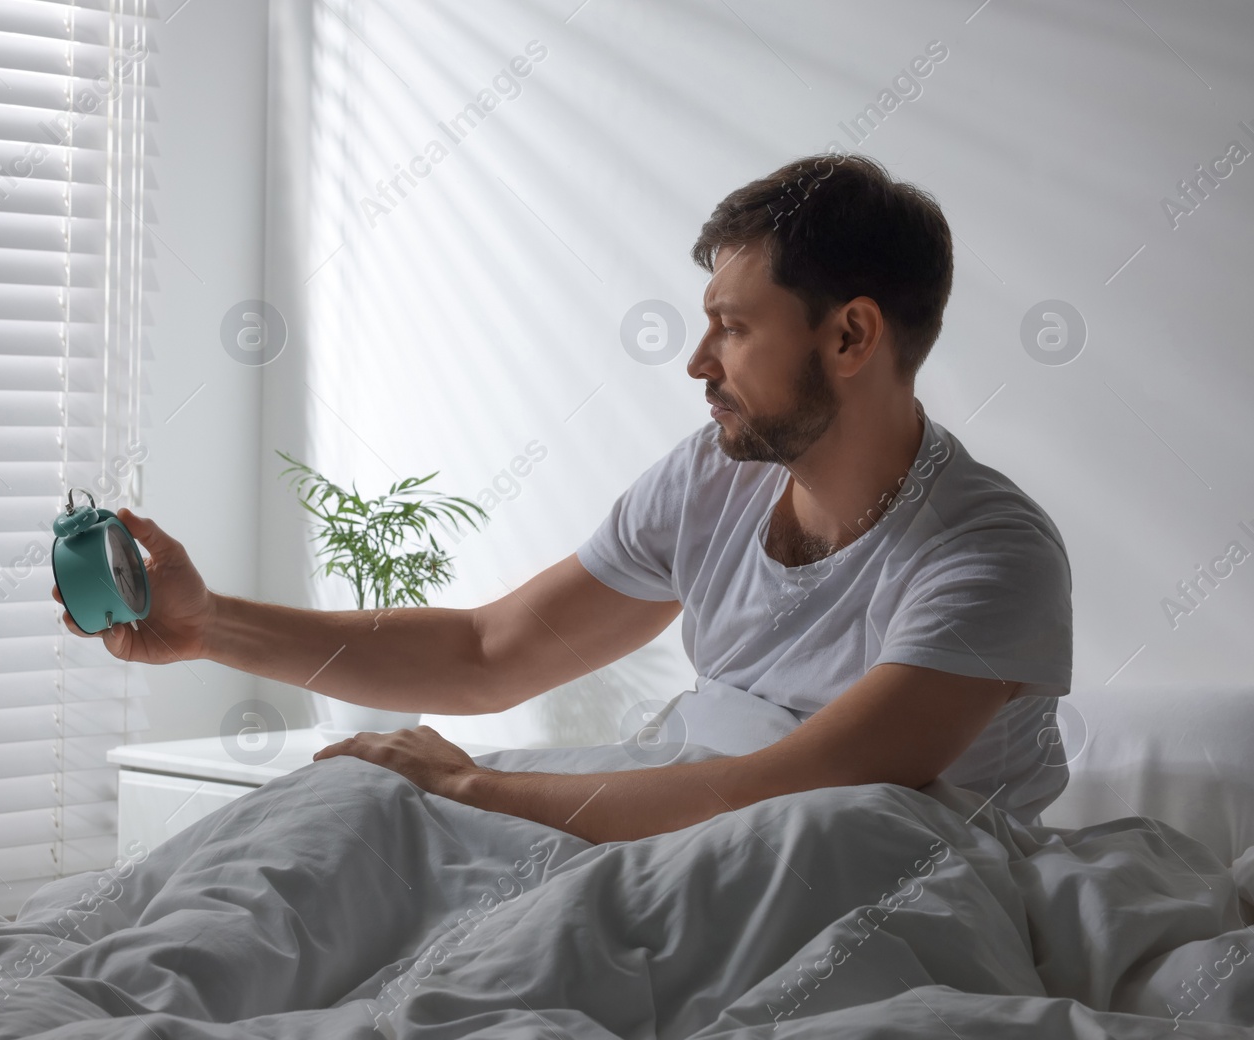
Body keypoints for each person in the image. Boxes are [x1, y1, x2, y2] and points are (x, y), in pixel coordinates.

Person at [53, 153, 1072, 845]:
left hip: (872, 859)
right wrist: (208, 623)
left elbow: (791, 791)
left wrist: (471, 786)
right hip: (692, 809)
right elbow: (488, 652)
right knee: (354, 806)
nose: (696, 361)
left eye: (732, 326)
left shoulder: (988, 554)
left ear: (849, 337)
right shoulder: (713, 476)